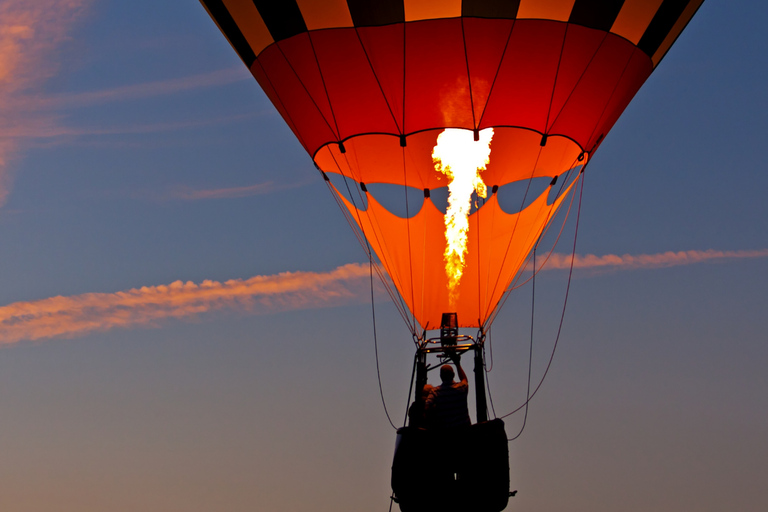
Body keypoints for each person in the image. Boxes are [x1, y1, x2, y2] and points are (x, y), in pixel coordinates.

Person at [425, 354, 471, 429]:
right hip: (464, 433)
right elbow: (464, 379)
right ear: (453, 375)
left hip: (445, 435)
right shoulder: (462, 388)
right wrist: (457, 364)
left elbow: (427, 408)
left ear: (441, 376)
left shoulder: (435, 392)